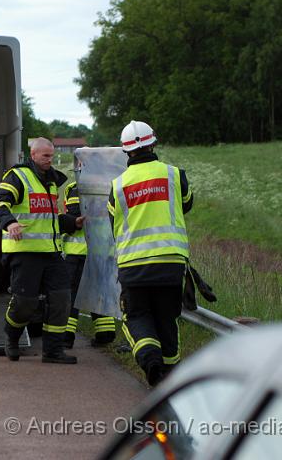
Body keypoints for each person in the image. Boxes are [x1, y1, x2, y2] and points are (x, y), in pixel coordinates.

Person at [108, 120, 193, 386]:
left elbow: (114, 223)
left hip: (134, 265)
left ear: (126, 151)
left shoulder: (118, 185)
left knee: (137, 316)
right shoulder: (174, 174)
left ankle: (150, 361)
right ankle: (170, 376)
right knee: (168, 318)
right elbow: (187, 204)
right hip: (170, 262)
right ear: (153, 143)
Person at [0, 137, 82, 364]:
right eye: (45, 156)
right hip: (24, 252)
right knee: (26, 304)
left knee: (62, 299)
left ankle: (52, 351)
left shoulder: (52, 182)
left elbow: (48, 220)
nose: (50, 160)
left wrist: (73, 223)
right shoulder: (18, 176)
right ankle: (12, 337)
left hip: (51, 252)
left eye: (51, 156)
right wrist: (9, 222)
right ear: (32, 155)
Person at [61, 179, 116, 349]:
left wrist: (63, 221)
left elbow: (76, 215)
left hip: (77, 253)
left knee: (71, 295)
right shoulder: (110, 185)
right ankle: (105, 335)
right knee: (100, 294)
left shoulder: (76, 188)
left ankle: (66, 337)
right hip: (103, 252)